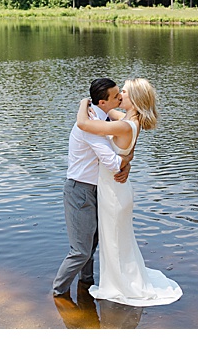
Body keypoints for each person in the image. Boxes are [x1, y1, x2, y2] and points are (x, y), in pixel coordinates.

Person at [74, 78, 182, 306]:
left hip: (114, 191)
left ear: (134, 99)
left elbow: (84, 124)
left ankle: (119, 287)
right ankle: (119, 280)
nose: (120, 95)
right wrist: (127, 161)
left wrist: (84, 101)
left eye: (123, 91)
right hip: (116, 188)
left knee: (114, 241)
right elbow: (106, 114)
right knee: (117, 240)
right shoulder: (128, 119)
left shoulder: (124, 124)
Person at [52, 78, 132, 299]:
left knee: (92, 244)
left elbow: (127, 120)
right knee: (80, 250)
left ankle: (86, 286)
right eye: (116, 96)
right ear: (103, 101)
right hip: (80, 191)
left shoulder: (102, 117)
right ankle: (58, 293)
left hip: (96, 190)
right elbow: (113, 163)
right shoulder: (90, 125)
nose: (120, 98)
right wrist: (129, 158)